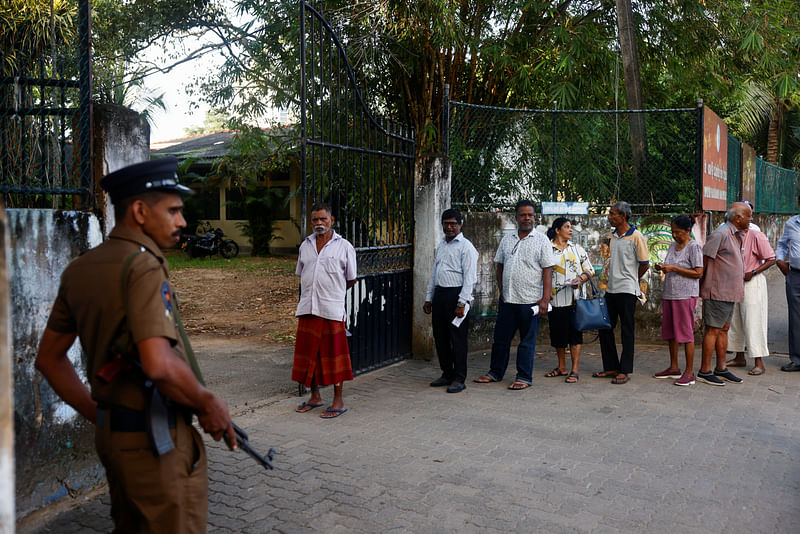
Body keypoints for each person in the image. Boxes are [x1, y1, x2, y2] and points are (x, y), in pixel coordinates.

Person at [35, 157, 235, 533]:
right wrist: (209, 403)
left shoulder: (81, 268)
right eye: (174, 210)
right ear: (141, 211)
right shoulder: (143, 266)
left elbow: (49, 358)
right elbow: (159, 365)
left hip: (115, 439)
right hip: (154, 441)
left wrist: (100, 414)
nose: (182, 222)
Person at [474, 199, 555, 390]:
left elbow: (547, 270)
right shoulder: (507, 239)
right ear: (516, 217)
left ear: (535, 217)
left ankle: (524, 377)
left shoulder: (541, 240)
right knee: (500, 340)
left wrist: (545, 298)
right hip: (508, 300)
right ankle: (495, 373)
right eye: (523, 215)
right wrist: (502, 291)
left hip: (530, 301)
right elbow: (500, 265)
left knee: (526, 342)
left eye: (530, 215)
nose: (527, 218)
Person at [293, 202, 357, 418]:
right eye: (315, 220)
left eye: (323, 219)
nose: (319, 223)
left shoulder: (344, 246)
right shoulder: (305, 245)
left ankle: (338, 402)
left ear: (332, 221)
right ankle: (315, 396)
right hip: (308, 308)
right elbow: (302, 274)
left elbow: (350, 279)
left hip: (331, 309)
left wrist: (332, 292)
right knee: (310, 355)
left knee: (334, 357)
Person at [423, 209, 479, 393]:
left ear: (460, 224)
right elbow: (435, 274)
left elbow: (469, 278)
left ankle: (459, 378)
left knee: (458, 339)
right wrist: (429, 298)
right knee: (440, 337)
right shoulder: (441, 246)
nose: (449, 227)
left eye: (453, 223)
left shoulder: (466, 247)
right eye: (446, 223)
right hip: (440, 294)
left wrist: (462, 303)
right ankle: (447, 373)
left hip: (456, 296)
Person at [594, 201, 650, 384]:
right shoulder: (612, 236)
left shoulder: (636, 237)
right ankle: (611, 366)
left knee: (627, 330)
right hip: (611, 289)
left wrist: (631, 278)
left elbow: (645, 264)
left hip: (627, 290)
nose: (609, 216)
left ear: (623, 216)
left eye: (612, 214)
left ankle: (625, 370)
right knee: (605, 328)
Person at [697, 202, 751, 386]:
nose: (751, 220)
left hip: (730, 292)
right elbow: (704, 259)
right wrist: (701, 286)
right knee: (713, 329)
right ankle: (704, 370)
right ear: (738, 218)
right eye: (748, 216)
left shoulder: (737, 235)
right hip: (717, 291)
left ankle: (721, 368)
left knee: (724, 329)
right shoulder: (720, 234)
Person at [652, 215, 704, 386]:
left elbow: (698, 272)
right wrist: (662, 266)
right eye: (672, 232)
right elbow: (669, 264)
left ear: (688, 231)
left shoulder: (694, 247)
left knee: (686, 333)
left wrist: (674, 268)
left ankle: (689, 372)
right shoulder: (673, 245)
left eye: (678, 232)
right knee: (671, 332)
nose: (674, 235)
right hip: (670, 293)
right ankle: (673, 367)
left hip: (685, 295)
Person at [543, 217, 594, 383]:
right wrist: (545, 292)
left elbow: (590, 270)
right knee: (558, 334)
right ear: (557, 230)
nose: (570, 230)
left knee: (575, 335)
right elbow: (542, 273)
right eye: (567, 227)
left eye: (571, 227)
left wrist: (580, 279)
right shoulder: (547, 249)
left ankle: (575, 369)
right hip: (555, 299)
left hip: (575, 299)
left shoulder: (577, 249)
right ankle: (561, 366)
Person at [724, 222, 775, 375]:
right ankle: (739, 357)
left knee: (753, 321)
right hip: (735, 282)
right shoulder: (731, 235)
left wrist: (752, 272)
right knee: (735, 321)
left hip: (752, 282)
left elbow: (771, 259)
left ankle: (759, 362)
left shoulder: (755, 235)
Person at [776, 195, 800, 372]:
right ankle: (797, 359)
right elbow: (782, 244)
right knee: (795, 317)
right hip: (795, 275)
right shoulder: (792, 223)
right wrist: (779, 260)